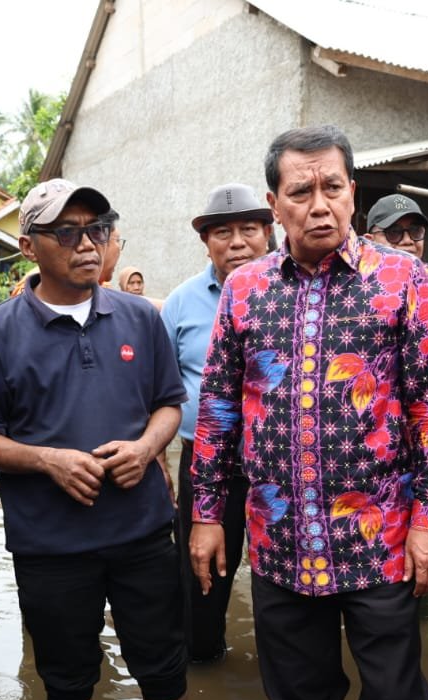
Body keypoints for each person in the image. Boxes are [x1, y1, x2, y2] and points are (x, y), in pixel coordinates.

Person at [189, 126, 428, 700]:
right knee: (299, 698)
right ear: (274, 203)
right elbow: (217, 410)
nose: (319, 204)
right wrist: (207, 515)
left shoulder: (402, 281)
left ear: (352, 193)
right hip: (279, 540)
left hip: (379, 539)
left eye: (332, 187)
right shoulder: (245, 289)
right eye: (300, 191)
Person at [0, 178, 189, 700]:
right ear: (28, 247)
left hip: (142, 532)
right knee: (66, 677)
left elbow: (169, 404)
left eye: (97, 229)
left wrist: (146, 449)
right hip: (51, 544)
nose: (87, 244)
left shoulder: (140, 318)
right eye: (66, 233)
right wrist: (47, 460)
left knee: (163, 664)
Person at [162, 182, 272, 663]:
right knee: (201, 573)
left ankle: (283, 669)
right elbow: (158, 390)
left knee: (284, 576)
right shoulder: (180, 303)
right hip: (206, 465)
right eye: (222, 233)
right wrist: (156, 459)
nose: (237, 242)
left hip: (280, 463)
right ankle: (202, 661)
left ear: (268, 232)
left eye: (249, 229)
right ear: (206, 242)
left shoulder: (294, 294)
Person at [364, 192, 428, 619]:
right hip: (380, 453)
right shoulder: (360, 291)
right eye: (394, 232)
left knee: (427, 560)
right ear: (370, 237)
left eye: (415, 231)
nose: (407, 241)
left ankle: (422, 631)